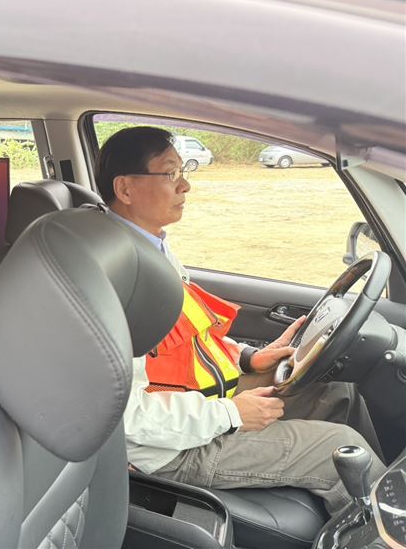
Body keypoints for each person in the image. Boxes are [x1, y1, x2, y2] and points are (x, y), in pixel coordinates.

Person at [96, 126, 385, 515]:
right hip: (170, 449)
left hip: (196, 405)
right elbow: (125, 417)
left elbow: (184, 344)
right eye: (170, 174)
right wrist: (232, 414)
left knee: (335, 390)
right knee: (340, 448)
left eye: (184, 173)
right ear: (126, 189)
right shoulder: (120, 278)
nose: (186, 187)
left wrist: (248, 358)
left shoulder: (151, 249)